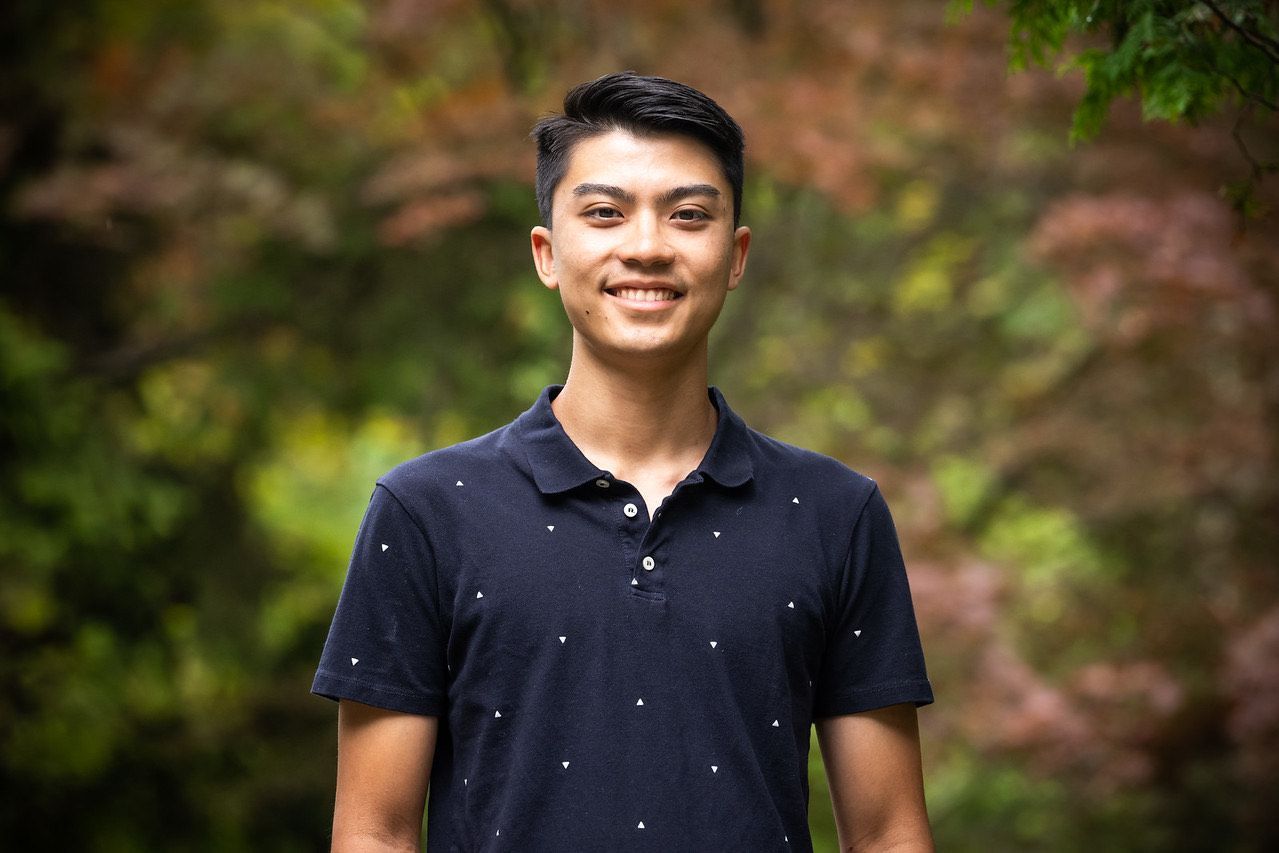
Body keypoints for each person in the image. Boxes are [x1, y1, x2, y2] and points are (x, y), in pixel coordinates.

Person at [313, 71, 934, 852]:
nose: (646, 247)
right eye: (604, 213)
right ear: (546, 252)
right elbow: (375, 832)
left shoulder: (835, 514)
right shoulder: (426, 510)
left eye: (688, 215)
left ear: (735, 255)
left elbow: (886, 835)